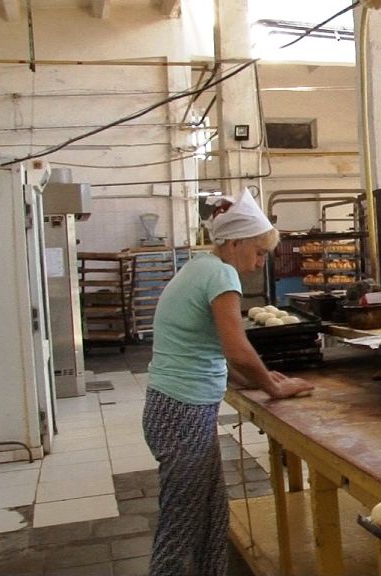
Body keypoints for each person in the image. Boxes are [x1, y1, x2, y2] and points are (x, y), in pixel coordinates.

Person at [142, 188, 314, 576]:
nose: (259, 263)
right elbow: (237, 349)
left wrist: (253, 377)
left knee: (210, 513)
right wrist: (273, 387)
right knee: (182, 524)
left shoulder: (199, 267)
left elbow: (210, 347)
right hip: (181, 412)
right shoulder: (221, 274)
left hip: (173, 408)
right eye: (258, 253)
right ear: (234, 242)